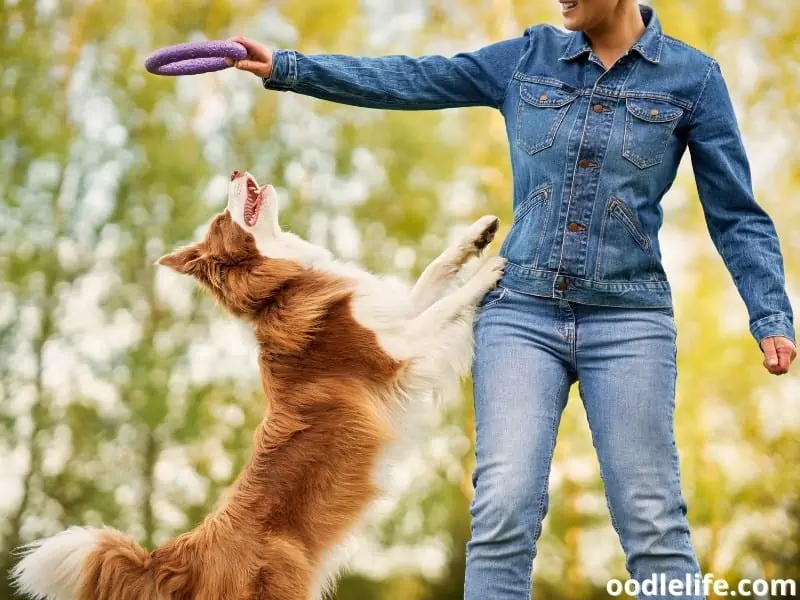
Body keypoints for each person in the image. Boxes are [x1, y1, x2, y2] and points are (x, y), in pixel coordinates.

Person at [227, 1, 797, 598]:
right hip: (521, 313)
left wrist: (769, 313)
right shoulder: (528, 57)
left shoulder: (693, 79)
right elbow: (415, 78)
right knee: (503, 510)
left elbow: (736, 214)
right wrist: (289, 67)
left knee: (652, 519)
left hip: (630, 321)